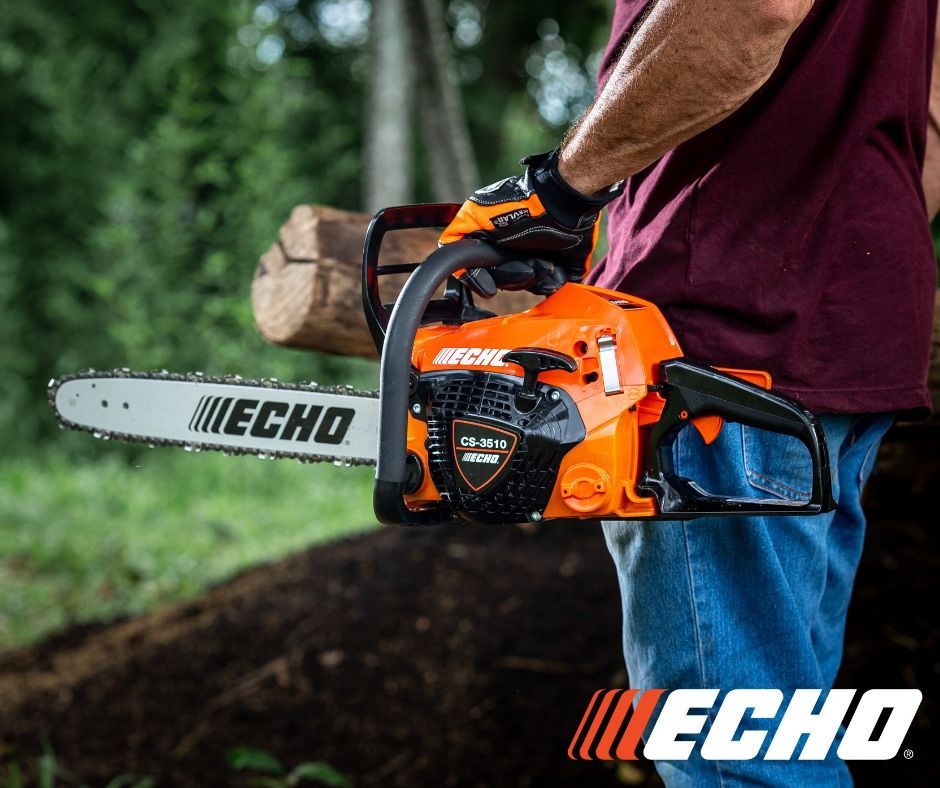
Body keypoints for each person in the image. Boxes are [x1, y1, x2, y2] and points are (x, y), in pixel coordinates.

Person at [439, 1, 939, 785]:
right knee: (780, 730)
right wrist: (842, 249)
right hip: (845, 323)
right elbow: (932, 110)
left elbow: (753, 8)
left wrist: (559, 189)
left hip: (717, 347)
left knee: (735, 756)